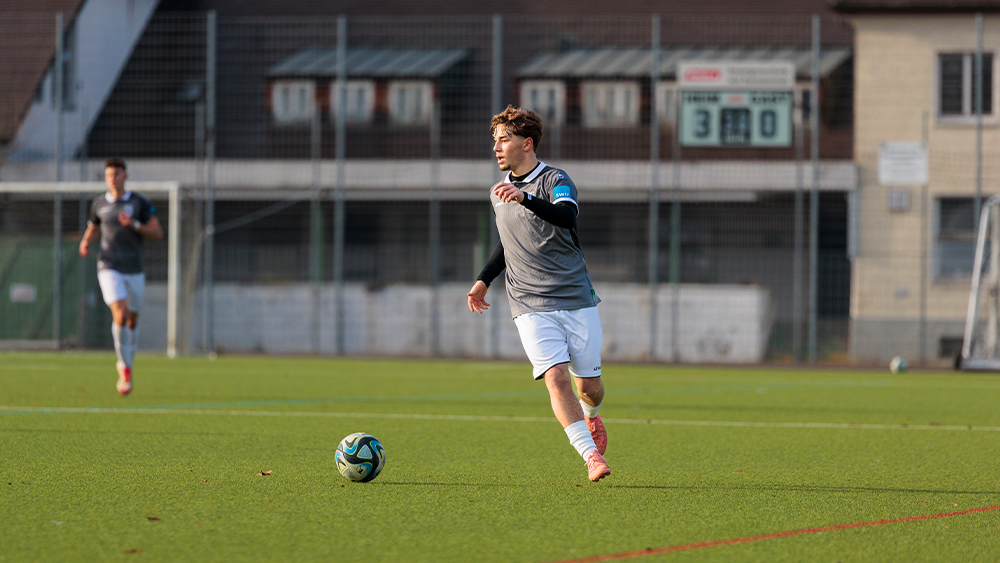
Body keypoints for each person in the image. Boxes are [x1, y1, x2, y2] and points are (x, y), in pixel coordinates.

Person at [467, 105, 610, 482]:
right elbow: (508, 241)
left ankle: (593, 417)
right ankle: (590, 456)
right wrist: (485, 279)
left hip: (575, 297)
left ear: (527, 143)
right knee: (556, 377)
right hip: (528, 303)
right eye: (494, 141)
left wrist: (524, 197)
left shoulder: (555, 179)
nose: (496, 148)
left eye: (504, 140)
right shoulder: (499, 193)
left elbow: (566, 215)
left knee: (590, 389)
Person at [79, 158, 163, 396]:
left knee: (132, 322)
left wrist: (136, 224)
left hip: (134, 268)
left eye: (116, 174)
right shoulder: (98, 204)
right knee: (121, 312)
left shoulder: (140, 203)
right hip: (109, 266)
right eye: (108, 175)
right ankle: (124, 368)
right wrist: (86, 243)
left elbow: (157, 232)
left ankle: (127, 364)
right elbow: (94, 227)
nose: (112, 178)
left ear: (125, 175)